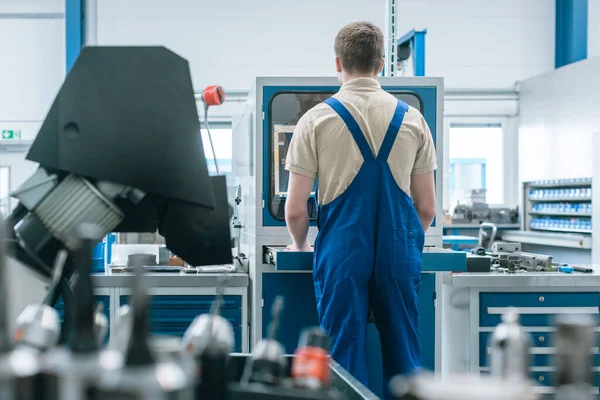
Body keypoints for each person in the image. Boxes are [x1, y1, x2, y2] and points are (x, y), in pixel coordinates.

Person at [283, 21, 437, 397]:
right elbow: (427, 208)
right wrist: (400, 242)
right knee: (404, 356)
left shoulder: (315, 120)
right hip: (399, 252)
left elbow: (295, 210)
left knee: (344, 358)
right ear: (382, 63)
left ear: (338, 63)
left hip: (342, 250)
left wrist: (300, 245)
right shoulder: (413, 120)